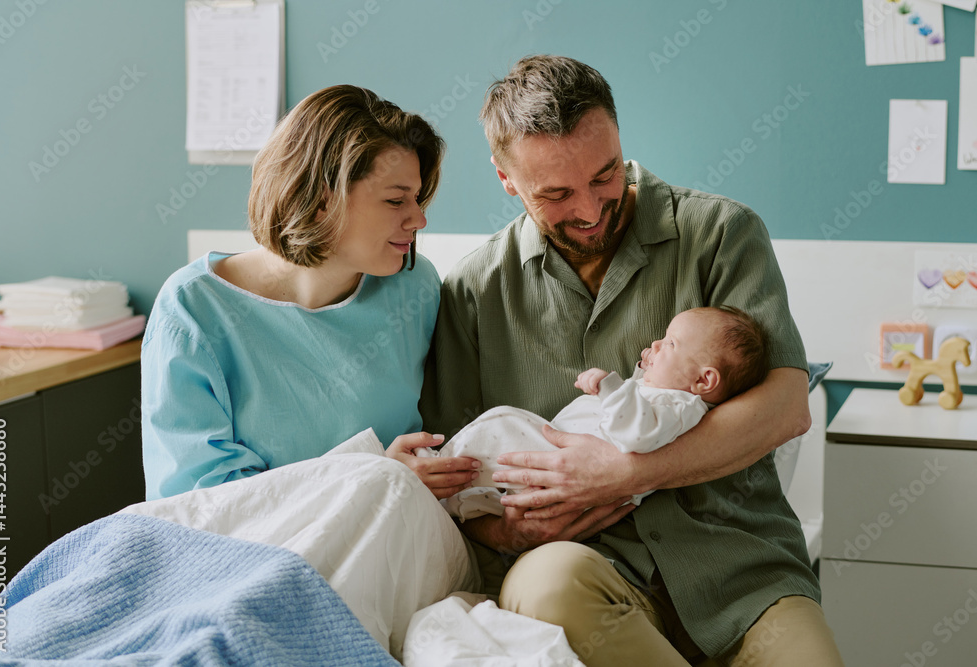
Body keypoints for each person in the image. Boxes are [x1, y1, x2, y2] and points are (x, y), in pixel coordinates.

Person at [420, 56, 844, 666]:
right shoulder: (473, 291)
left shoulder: (721, 234)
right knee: (545, 584)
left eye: (606, 174)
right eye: (556, 194)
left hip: (742, 573)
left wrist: (626, 473)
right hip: (584, 572)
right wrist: (507, 530)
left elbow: (786, 409)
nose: (591, 210)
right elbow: (449, 474)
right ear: (506, 179)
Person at [142, 84, 478, 501]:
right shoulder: (193, 311)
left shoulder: (413, 286)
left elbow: (445, 435)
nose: (419, 219)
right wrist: (372, 478)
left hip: (402, 530)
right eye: (396, 201)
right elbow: (201, 504)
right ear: (322, 200)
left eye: (418, 198)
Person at [434, 306, 768, 521]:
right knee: (498, 471)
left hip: (567, 467)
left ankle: (440, 466)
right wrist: (645, 370)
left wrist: (610, 386)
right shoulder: (668, 399)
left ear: (704, 380)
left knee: (504, 422)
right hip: (563, 469)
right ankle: (458, 499)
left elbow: (637, 433)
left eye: (670, 344)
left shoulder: (681, 406)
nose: (655, 344)